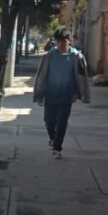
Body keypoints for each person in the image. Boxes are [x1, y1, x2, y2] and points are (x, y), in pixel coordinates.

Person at [33, 28, 91, 158]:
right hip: (50, 94)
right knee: (49, 121)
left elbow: (80, 77)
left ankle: (58, 148)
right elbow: (42, 76)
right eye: (58, 41)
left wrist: (77, 93)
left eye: (64, 42)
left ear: (69, 41)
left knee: (62, 122)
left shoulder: (76, 57)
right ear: (55, 42)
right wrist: (39, 93)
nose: (61, 44)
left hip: (66, 95)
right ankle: (52, 138)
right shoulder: (48, 56)